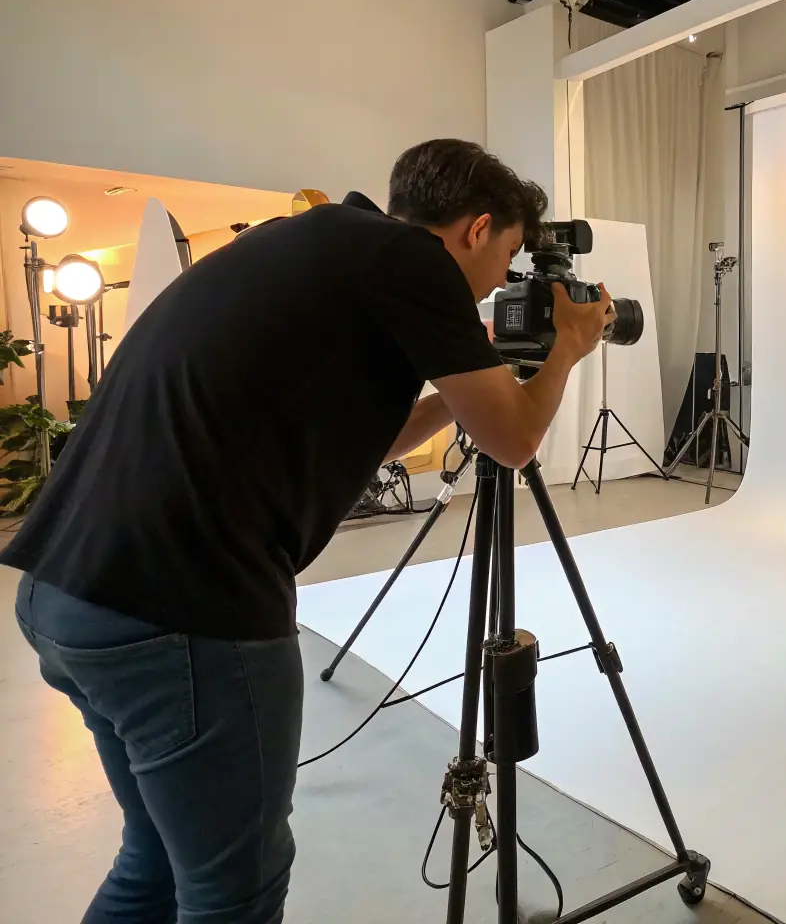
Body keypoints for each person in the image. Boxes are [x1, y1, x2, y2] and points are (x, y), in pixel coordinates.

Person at [5, 139, 614, 923]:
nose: (503, 280)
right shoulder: (411, 262)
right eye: (506, 255)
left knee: (154, 858)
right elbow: (516, 443)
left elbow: (374, 438)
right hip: (182, 613)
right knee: (235, 892)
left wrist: (473, 380)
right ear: (476, 226)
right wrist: (566, 348)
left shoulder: (314, 241)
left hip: (66, 595)